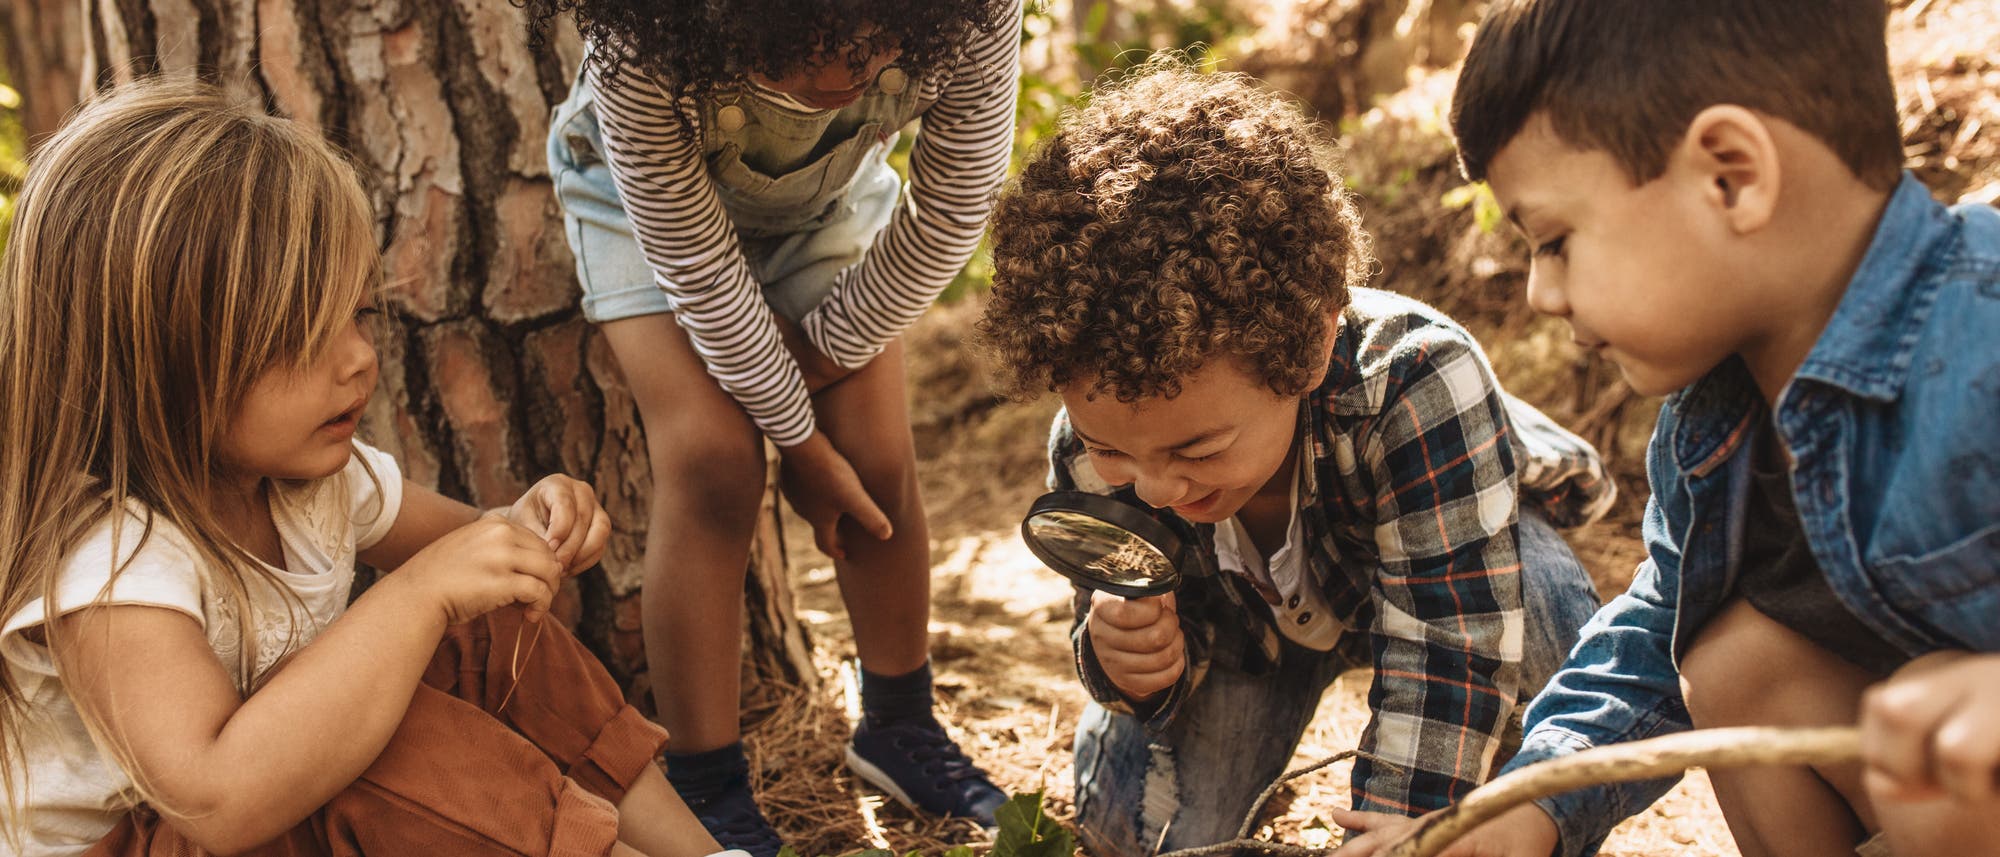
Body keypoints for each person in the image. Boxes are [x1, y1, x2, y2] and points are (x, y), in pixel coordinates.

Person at [1333, 1, 2000, 855]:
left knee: (1949, 714)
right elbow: (1655, 630)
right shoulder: (1712, 425)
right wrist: (1529, 801)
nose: (1542, 292)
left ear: (1730, 175)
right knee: (1731, 660)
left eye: (1556, 239)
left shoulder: (1977, 330)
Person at [0, 79, 729, 857]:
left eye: (357, 315)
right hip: (163, 841)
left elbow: (481, 554)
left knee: (487, 624)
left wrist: (531, 525)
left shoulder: (312, 485)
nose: (358, 360)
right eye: (302, 335)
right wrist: (418, 595)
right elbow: (217, 800)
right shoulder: (112, 561)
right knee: (376, 743)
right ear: (150, 361)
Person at [971, 60, 1616, 857]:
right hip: (1251, 637)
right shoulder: (1091, 445)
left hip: (1439, 580)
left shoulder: (1415, 382)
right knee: (1137, 834)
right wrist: (1124, 663)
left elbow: (1448, 647)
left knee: (1545, 603)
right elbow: (1117, 626)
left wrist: (1401, 833)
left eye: (1197, 447)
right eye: (1113, 449)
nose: (1159, 485)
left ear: (1308, 346)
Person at [521, 0, 1023, 848]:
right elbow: (698, 268)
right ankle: (707, 785)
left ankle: (900, 725)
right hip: (646, 215)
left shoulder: (973, 12)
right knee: (714, 462)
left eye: (871, 51)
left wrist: (822, 364)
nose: (839, 80)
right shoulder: (641, 42)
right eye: (801, 55)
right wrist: (797, 438)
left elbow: (950, 209)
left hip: (826, 205)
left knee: (872, 456)